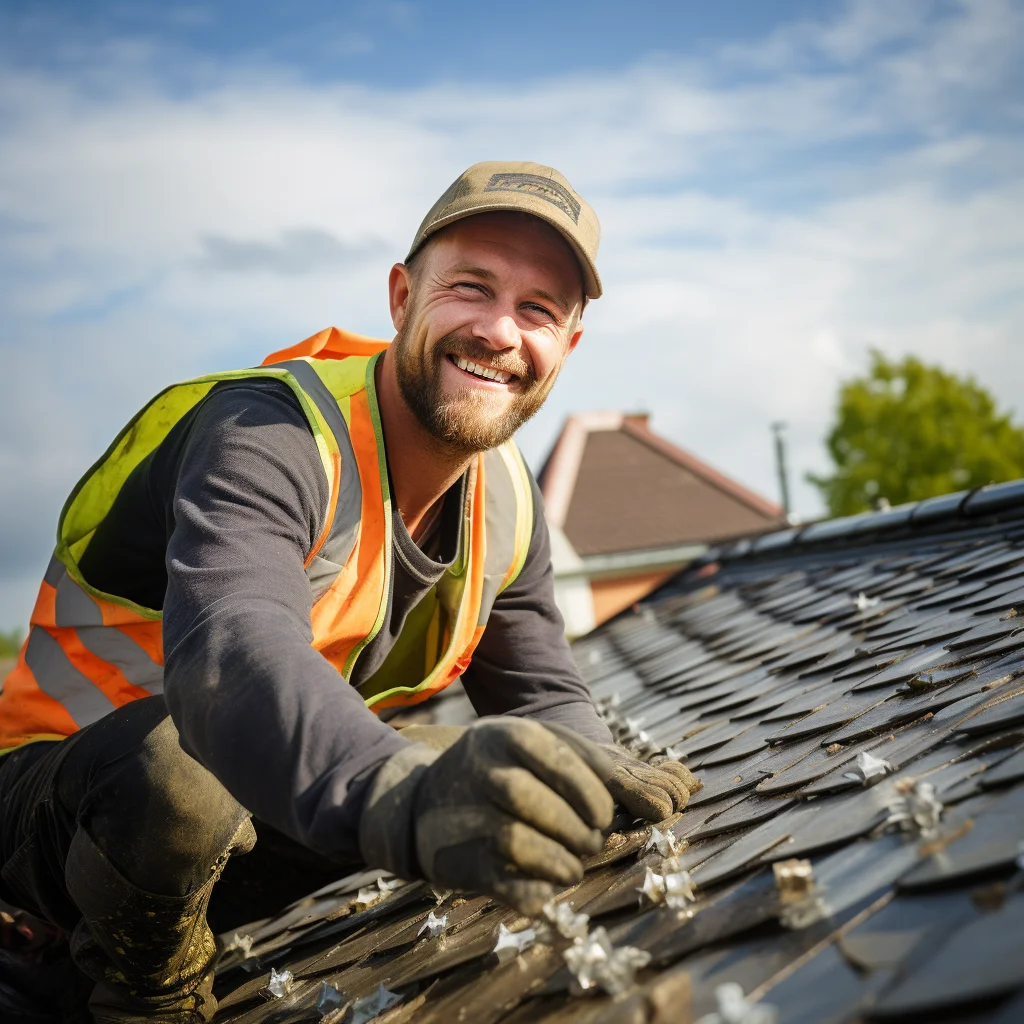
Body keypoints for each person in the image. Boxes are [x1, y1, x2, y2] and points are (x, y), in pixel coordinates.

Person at [0, 162, 699, 1022]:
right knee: (181, 777)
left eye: (538, 310)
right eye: (470, 288)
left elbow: (545, 695)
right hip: (62, 816)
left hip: (249, 819)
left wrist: (588, 786)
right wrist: (399, 792)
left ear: (569, 346)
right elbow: (235, 655)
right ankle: (144, 996)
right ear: (402, 297)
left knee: (485, 781)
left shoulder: (508, 503)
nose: (497, 330)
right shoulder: (268, 434)